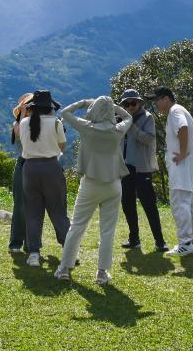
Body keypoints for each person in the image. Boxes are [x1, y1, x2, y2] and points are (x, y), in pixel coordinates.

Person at [55, 96, 133, 285]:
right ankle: (102, 272)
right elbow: (129, 117)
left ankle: (65, 268)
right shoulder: (117, 130)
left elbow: (64, 113)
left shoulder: (86, 127)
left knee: (77, 226)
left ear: (94, 111)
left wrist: (84, 103)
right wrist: (113, 106)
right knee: (107, 230)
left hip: (90, 184)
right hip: (113, 184)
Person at [19, 90, 70, 267]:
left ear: (33, 107)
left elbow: (22, 142)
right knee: (58, 210)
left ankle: (34, 254)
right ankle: (68, 250)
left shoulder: (24, 123)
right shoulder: (56, 123)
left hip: (29, 169)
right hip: (51, 167)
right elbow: (62, 146)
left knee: (33, 212)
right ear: (49, 107)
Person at [150, 86, 193, 256]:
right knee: (187, 204)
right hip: (186, 167)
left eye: (157, 100)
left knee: (180, 205)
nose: (156, 104)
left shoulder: (175, 111)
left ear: (166, 98)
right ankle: (191, 242)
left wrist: (182, 152)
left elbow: (183, 127)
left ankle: (185, 243)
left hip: (182, 167)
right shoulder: (178, 110)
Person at [119, 89, 167, 252]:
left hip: (141, 168)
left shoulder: (147, 118)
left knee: (149, 205)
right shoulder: (121, 119)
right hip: (125, 168)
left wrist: (131, 126)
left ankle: (160, 241)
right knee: (127, 204)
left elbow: (149, 139)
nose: (130, 106)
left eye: (133, 103)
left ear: (139, 103)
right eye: (127, 104)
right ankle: (134, 239)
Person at [8, 92, 33, 253]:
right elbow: (19, 134)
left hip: (35, 164)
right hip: (23, 164)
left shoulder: (39, 122)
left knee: (34, 206)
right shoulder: (17, 124)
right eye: (29, 106)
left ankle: (31, 242)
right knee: (20, 206)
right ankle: (16, 241)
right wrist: (23, 113)